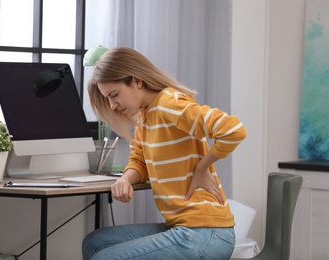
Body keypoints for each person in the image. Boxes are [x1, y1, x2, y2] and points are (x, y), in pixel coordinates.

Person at [82, 47, 247, 260]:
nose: (113, 105)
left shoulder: (169, 104)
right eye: (108, 99)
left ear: (136, 81)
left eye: (114, 95)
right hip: (183, 226)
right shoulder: (146, 115)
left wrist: (202, 167)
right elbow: (139, 160)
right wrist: (126, 179)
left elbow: (233, 130)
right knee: (95, 243)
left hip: (207, 233)